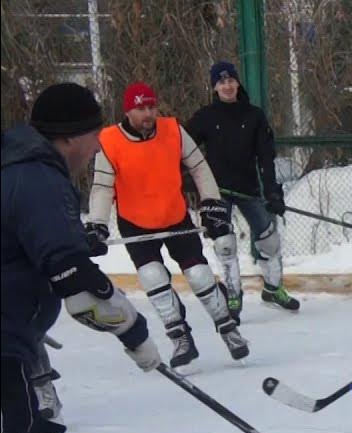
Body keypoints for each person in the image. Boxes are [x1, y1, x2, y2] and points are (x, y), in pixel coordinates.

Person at [2, 83, 162, 433]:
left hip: (16, 334)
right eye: (94, 132)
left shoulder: (17, 163)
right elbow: (79, 286)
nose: (100, 142)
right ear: (70, 135)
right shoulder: (39, 179)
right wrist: (136, 332)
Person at [86, 81, 248, 371]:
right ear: (128, 111)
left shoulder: (172, 130)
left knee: (199, 275)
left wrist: (211, 204)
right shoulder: (109, 140)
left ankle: (228, 329)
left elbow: (199, 167)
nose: (148, 113)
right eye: (140, 108)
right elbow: (101, 187)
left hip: (174, 216)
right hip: (135, 222)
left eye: (151, 106)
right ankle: (180, 336)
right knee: (152, 277)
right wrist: (97, 224)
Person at [186, 60, 300, 320]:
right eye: (221, 82)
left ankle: (273, 289)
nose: (227, 86)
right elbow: (183, 149)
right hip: (217, 191)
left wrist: (272, 191)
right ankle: (233, 295)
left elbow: (266, 156)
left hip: (249, 189)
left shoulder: (254, 115)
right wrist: (190, 179)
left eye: (230, 80)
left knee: (269, 240)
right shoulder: (205, 117)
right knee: (225, 244)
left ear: (237, 83)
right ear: (214, 87)